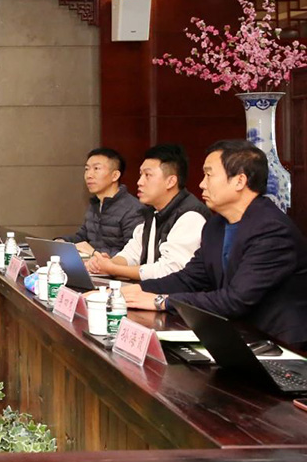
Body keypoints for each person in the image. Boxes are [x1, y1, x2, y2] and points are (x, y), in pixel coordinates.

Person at [123, 140, 307, 349]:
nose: (202, 184)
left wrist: (163, 301)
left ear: (239, 181)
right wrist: (129, 292)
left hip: (280, 344)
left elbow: (235, 300)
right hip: (237, 335)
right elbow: (189, 279)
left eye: (209, 175)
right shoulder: (215, 225)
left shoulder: (272, 230)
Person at [86, 144, 210, 281]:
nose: (139, 182)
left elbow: (169, 271)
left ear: (170, 181)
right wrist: (107, 263)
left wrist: (113, 269)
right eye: (141, 175)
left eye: (148, 175)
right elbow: (132, 253)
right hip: (151, 290)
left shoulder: (190, 216)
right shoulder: (152, 212)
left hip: (174, 293)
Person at [58, 148, 143, 256]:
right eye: (87, 169)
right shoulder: (95, 204)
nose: (89, 175)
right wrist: (62, 242)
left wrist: (95, 253)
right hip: (93, 263)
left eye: (96, 168)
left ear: (115, 175)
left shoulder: (133, 209)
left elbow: (134, 254)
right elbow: (83, 236)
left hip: (112, 265)